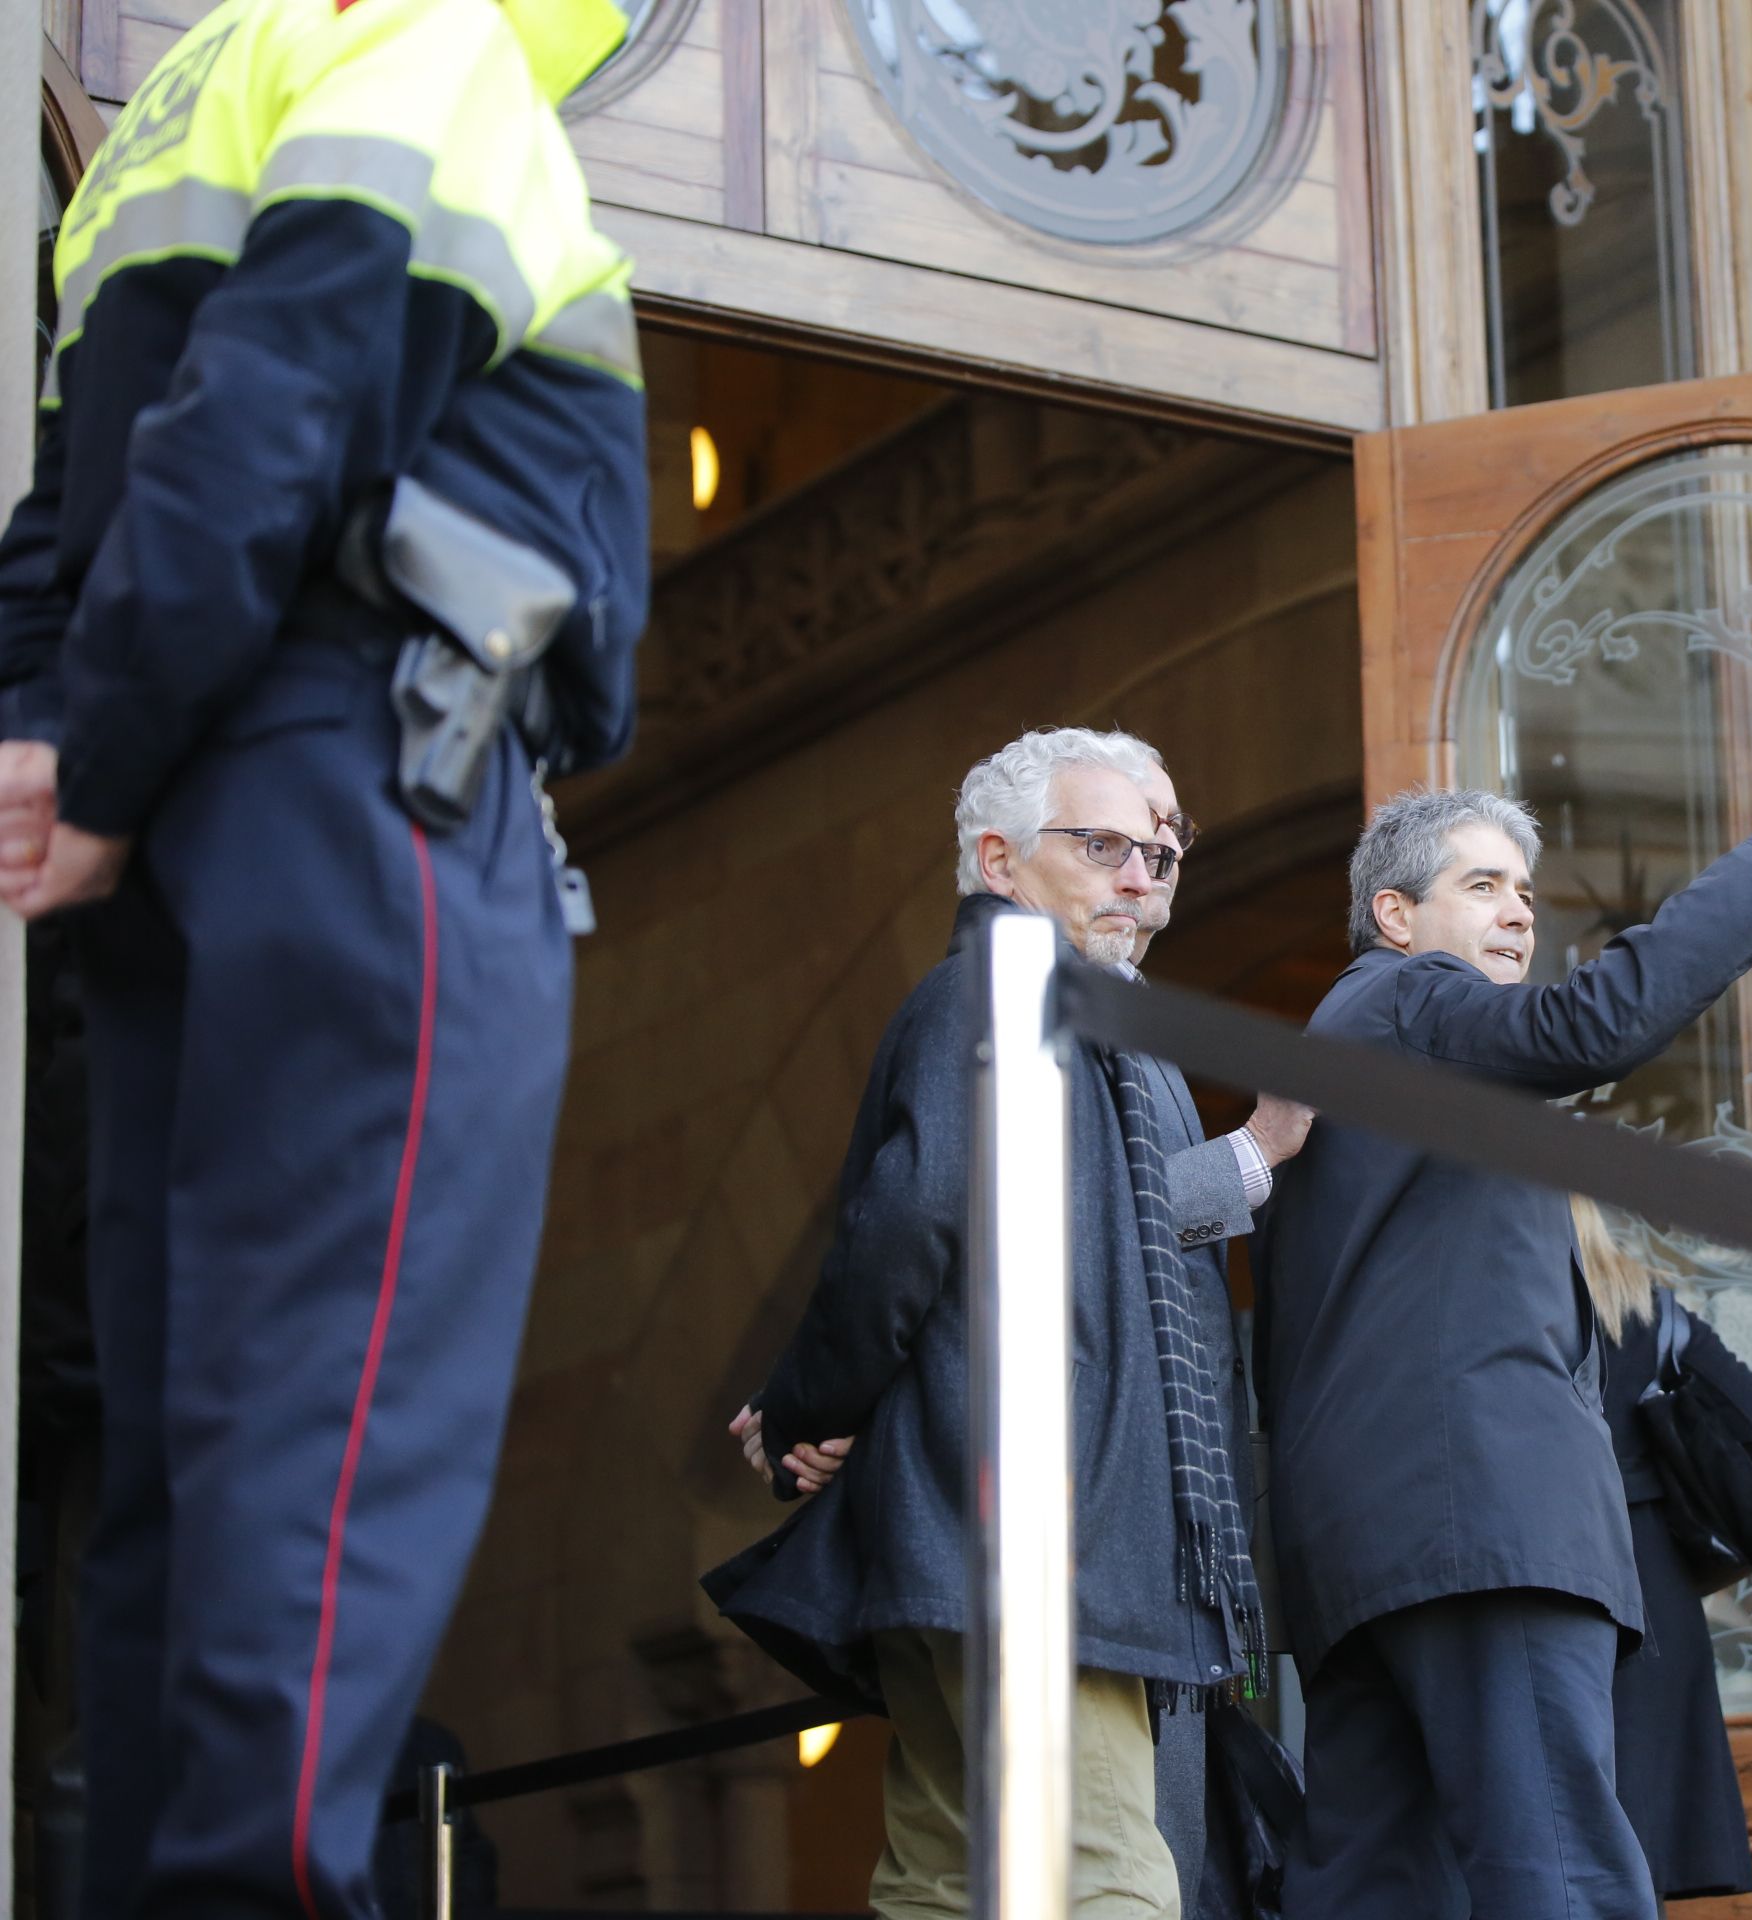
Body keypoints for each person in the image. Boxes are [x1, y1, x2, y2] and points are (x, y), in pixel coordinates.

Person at [0, 0, 651, 1908]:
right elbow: (279, 402)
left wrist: (66, 748)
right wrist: (96, 764)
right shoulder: (424, 49)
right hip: (371, 778)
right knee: (332, 1427)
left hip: (189, 822)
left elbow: (67, 515)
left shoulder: (162, 119)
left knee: (179, 1465)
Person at [706, 727, 1311, 1920]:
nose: (1143, 875)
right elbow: (915, 1219)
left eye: (1163, 852)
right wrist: (807, 1409)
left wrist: (818, 1413)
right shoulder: (1006, 987)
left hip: (977, 1539)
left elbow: (1062, 1232)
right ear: (999, 858)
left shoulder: (1087, 1022)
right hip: (1047, 1540)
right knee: (1110, 1879)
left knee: (944, 1877)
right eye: (1102, 846)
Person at [1259, 768, 1752, 1920]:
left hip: (1364, 1553)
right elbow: (1594, 1025)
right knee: (1561, 1879)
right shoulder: (1403, 1001)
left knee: (1377, 1893)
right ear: (1396, 916)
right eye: (1484, 885)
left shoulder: (1349, 1053)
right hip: (1481, 1530)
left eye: (1525, 890)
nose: (1521, 911)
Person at [1578, 1197, 1752, 1906]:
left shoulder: (1484, 1307)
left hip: (1543, 1581)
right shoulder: (1640, 1306)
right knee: (1637, 1855)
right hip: (1651, 1595)